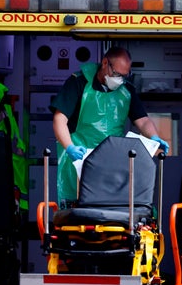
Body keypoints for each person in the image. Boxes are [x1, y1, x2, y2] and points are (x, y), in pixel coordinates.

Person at [50, 46, 169, 207]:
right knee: (77, 208)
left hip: (111, 160)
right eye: (117, 74)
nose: (120, 80)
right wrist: (69, 147)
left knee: (111, 208)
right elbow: (59, 119)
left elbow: (143, 120)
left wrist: (154, 138)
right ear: (105, 63)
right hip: (79, 158)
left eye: (125, 76)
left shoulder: (126, 90)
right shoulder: (78, 82)